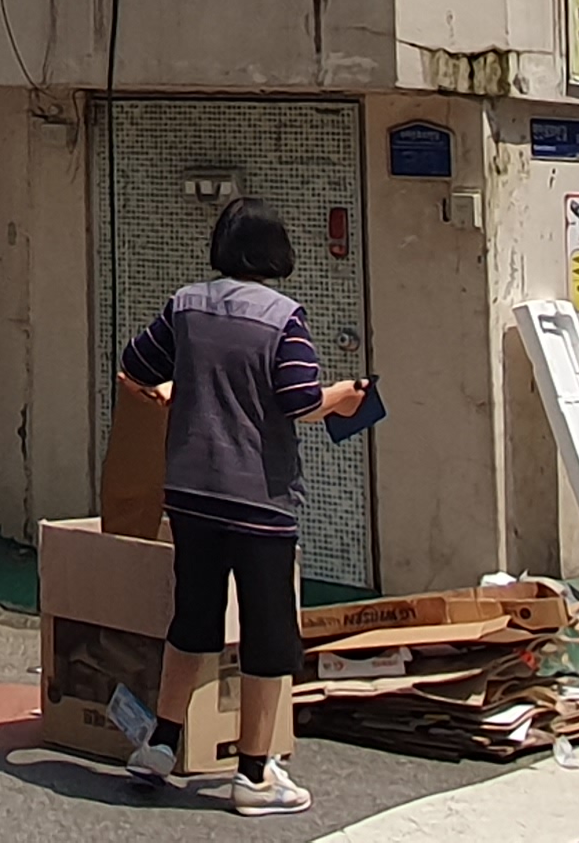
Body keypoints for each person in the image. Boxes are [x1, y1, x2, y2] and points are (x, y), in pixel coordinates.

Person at [116, 198, 367, 816]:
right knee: (268, 634)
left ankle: (160, 744)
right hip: (260, 498)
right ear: (275, 250)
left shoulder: (186, 305)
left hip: (191, 492)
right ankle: (254, 773)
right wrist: (344, 395)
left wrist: (173, 390)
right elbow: (300, 400)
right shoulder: (283, 317)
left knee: (192, 620)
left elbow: (135, 366)